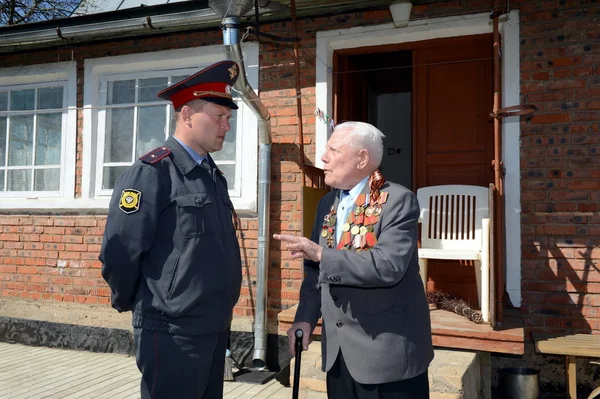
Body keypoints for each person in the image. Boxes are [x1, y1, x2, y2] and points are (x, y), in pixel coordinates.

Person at [99, 61, 242, 399]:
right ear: (188, 115)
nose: (227, 126)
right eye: (219, 116)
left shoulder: (211, 175)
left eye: (229, 118)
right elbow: (120, 253)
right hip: (172, 331)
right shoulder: (152, 172)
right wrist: (143, 306)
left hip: (213, 327)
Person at [274, 121, 434, 399]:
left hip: (387, 358)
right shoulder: (327, 204)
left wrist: (322, 253)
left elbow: (388, 266)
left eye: (333, 150)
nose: (322, 158)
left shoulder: (397, 200)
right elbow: (315, 272)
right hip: (339, 355)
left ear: (362, 158)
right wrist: (305, 320)